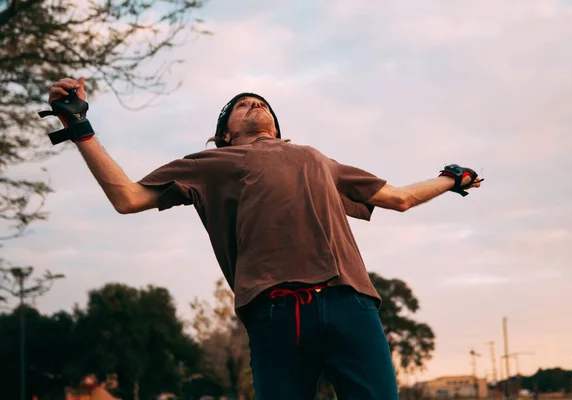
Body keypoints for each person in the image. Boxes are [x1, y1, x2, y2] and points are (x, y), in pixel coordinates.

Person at [47, 77, 483, 400]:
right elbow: (126, 198)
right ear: (224, 134)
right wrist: (79, 128)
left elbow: (401, 199)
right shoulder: (208, 164)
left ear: (277, 127)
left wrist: (451, 178)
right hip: (274, 314)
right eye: (240, 104)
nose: (253, 103)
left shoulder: (315, 158)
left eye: (260, 102)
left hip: (349, 302)